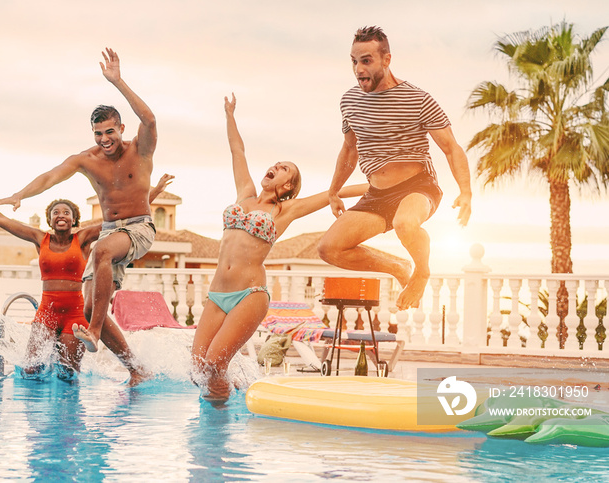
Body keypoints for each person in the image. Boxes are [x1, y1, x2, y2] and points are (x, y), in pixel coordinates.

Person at [0, 48, 172, 370]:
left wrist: (118, 81)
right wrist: (19, 195)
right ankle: (136, 369)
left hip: (139, 227)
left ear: (122, 128)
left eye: (110, 132)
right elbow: (50, 176)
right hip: (112, 231)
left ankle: (95, 331)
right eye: (98, 134)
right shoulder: (86, 160)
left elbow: (151, 119)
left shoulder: (140, 150)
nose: (104, 140)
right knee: (87, 307)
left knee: (99, 253)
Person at [191, 94, 367, 404]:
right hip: (217, 294)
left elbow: (334, 192)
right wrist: (229, 114)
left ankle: (219, 426)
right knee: (197, 367)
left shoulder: (286, 211)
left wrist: (381, 188)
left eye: (284, 168)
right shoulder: (244, 194)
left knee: (215, 362)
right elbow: (237, 151)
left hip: (250, 294)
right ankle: (226, 406)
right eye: (276, 164)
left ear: (287, 186)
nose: (275, 166)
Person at [317, 26, 472, 311]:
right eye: (353, 61)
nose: (358, 68)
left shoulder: (418, 99)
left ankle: (421, 272)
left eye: (366, 60)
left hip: (417, 187)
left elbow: (451, 147)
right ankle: (398, 267)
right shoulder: (349, 101)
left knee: (405, 223)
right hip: (377, 195)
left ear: (386, 60)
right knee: (329, 248)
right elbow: (349, 150)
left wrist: (466, 192)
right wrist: (334, 191)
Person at [0, 171, 99, 378]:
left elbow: (120, 219)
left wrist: (150, 195)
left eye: (66, 212)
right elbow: (0, 219)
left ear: (74, 219)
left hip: (75, 315)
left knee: (67, 374)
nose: (61, 215)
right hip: (47, 313)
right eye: (56, 212)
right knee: (31, 369)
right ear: (49, 219)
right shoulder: (40, 238)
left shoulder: (83, 239)